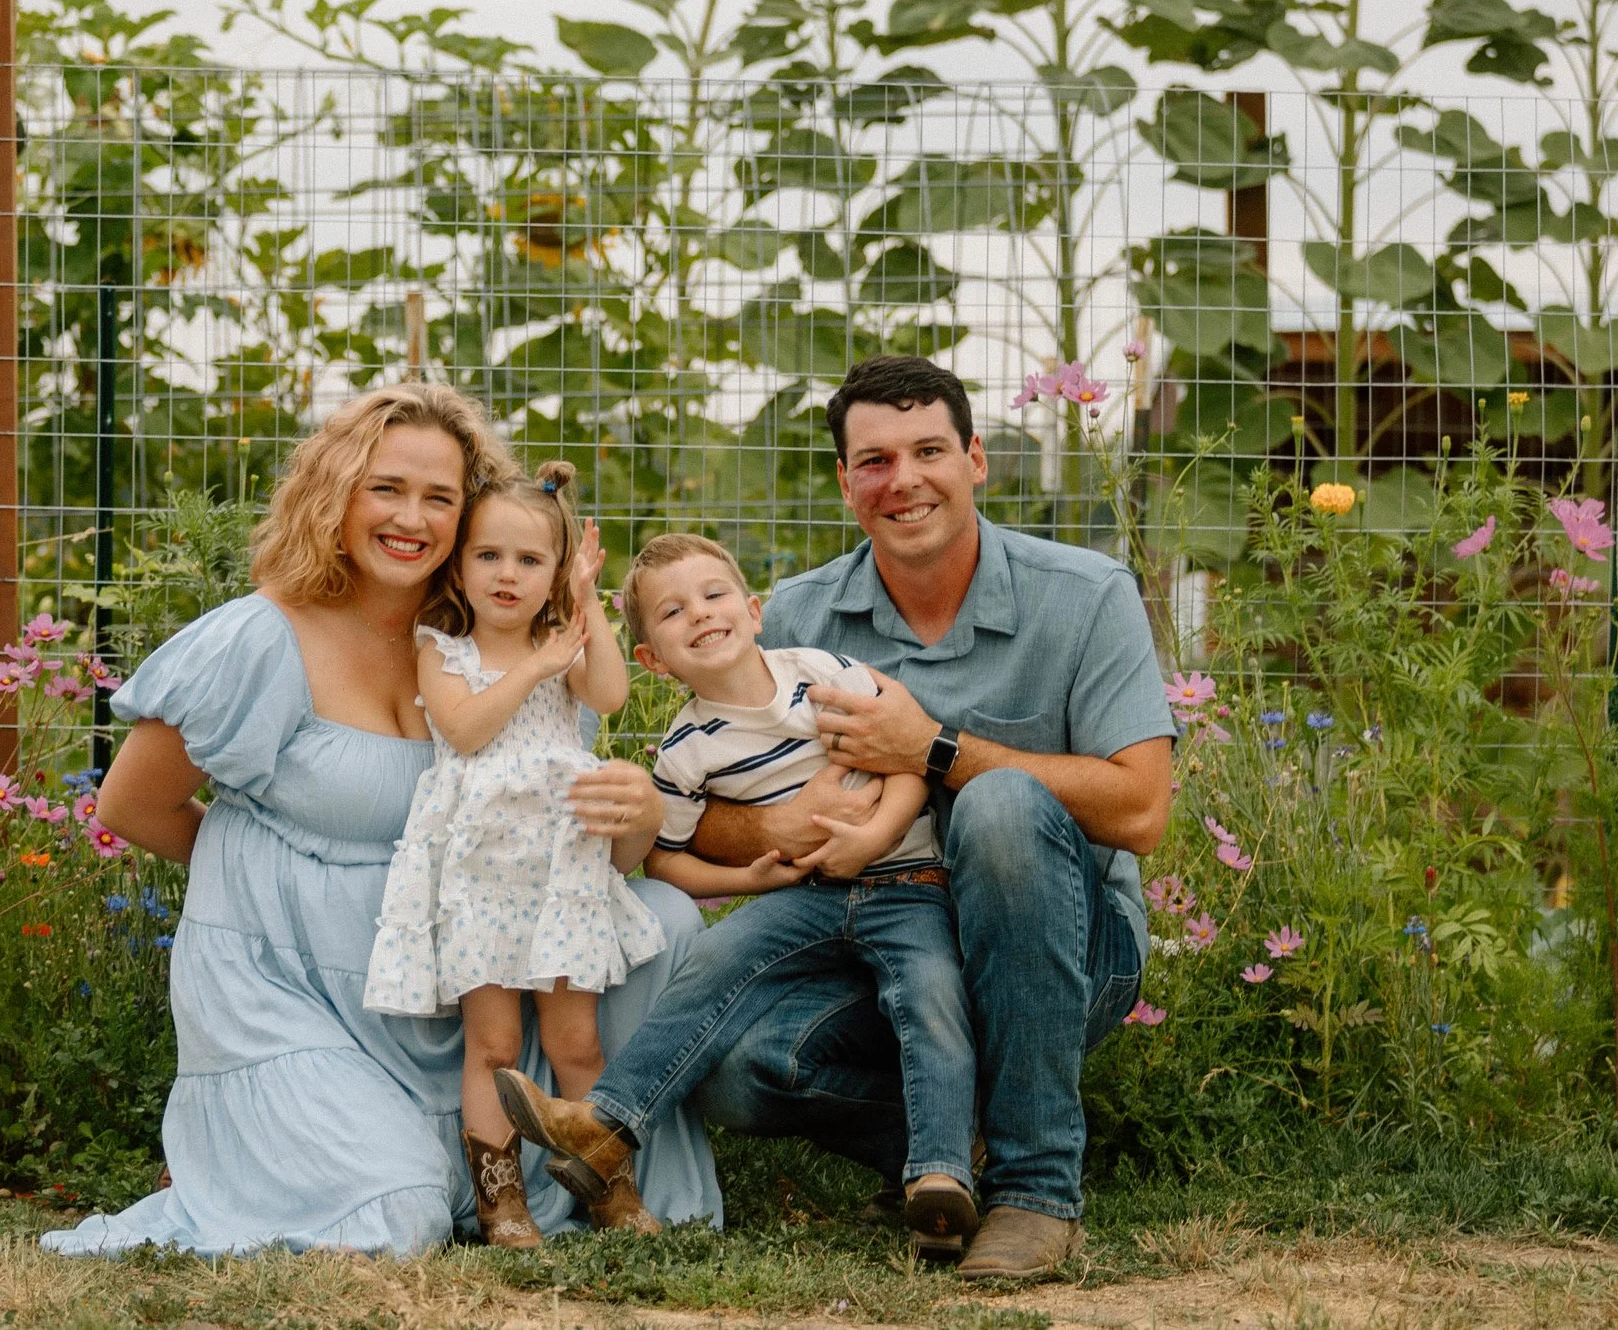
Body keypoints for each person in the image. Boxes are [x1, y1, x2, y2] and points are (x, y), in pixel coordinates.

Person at [41, 387, 720, 1260]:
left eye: (440, 497)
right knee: (395, 1213)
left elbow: (575, 847)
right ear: (335, 494)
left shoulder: (505, 646)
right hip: (290, 989)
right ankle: (353, 1150)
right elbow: (130, 804)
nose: (412, 518)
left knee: (663, 924)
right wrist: (271, 877)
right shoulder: (261, 639)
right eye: (385, 488)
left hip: (462, 967)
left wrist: (642, 813)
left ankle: (588, 1172)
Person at [687, 354, 1175, 1281]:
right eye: (874, 460)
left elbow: (1144, 810)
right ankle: (951, 1147)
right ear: (844, 481)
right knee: (734, 1067)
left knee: (994, 805)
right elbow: (709, 819)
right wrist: (784, 823)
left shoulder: (1087, 595)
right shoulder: (798, 614)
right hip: (882, 954)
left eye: (928, 450)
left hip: (1066, 955)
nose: (903, 480)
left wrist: (933, 748)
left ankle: (1036, 1190)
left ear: (976, 458)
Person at [493, 532, 980, 1263]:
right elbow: (668, 861)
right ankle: (608, 1123)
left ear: (754, 611)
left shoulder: (821, 675)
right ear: (653, 658)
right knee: (715, 958)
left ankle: (940, 1176)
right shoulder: (687, 747)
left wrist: (874, 834)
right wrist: (749, 880)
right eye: (672, 611)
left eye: (714, 595)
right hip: (807, 894)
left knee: (930, 994)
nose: (700, 613)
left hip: (906, 885)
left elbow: (909, 761)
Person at [364, 461, 666, 1247]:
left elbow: (607, 695)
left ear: (554, 571)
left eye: (531, 560)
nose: (508, 574)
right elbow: (464, 730)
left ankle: (610, 1187)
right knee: (492, 1044)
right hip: (478, 874)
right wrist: (534, 663)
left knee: (578, 1042)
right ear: (460, 564)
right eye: (490, 555)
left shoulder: (563, 642)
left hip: (560, 867)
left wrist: (587, 605)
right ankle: (502, 1203)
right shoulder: (445, 648)